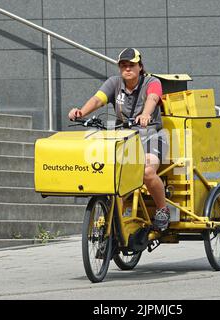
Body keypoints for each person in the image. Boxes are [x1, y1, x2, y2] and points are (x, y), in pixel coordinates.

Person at [68, 48, 171, 231]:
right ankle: (116, 221)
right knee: (111, 174)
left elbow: (153, 98)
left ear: (140, 66)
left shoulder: (151, 82)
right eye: (123, 65)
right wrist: (81, 112)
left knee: (147, 171)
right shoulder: (114, 83)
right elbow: (98, 99)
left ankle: (162, 209)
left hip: (152, 136)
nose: (127, 69)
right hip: (123, 137)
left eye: (131, 65)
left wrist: (146, 115)